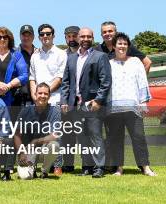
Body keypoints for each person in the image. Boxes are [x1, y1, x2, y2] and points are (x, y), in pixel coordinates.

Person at [60, 27, 111, 178]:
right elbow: (66, 82)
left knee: (95, 136)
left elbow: (106, 81)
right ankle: (87, 167)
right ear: (78, 38)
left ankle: (99, 167)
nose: (85, 39)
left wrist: (99, 100)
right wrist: (64, 101)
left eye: (89, 36)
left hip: (92, 104)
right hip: (75, 105)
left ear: (93, 38)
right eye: (83, 37)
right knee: (82, 137)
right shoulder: (71, 58)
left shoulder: (100, 56)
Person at [105, 32, 156, 177]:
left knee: (138, 137)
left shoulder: (135, 62)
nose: (122, 46)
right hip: (114, 108)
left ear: (128, 46)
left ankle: (146, 167)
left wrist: (143, 102)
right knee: (116, 140)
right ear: (114, 46)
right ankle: (119, 168)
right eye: (119, 43)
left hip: (133, 107)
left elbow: (142, 82)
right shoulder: (108, 64)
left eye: (125, 44)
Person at [14, 83, 62, 179]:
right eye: (40, 93)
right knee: (25, 177)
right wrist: (21, 152)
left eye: (45, 94)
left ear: (49, 96)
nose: (43, 96)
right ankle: (32, 169)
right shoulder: (25, 111)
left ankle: (44, 172)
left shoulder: (55, 111)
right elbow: (17, 134)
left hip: (44, 150)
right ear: (35, 94)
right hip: (28, 150)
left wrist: (36, 141)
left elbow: (55, 135)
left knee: (54, 146)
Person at [0, 26, 28, 111]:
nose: (2, 39)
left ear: (9, 39)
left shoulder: (16, 55)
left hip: (12, 99)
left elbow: (24, 76)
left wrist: (8, 86)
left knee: (10, 123)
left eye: (5, 37)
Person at [29, 24, 67, 106]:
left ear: (53, 36)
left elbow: (59, 79)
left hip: (54, 100)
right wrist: (34, 96)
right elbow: (32, 78)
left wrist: (44, 94)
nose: (45, 36)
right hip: (37, 101)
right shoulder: (34, 56)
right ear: (39, 37)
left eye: (48, 34)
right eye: (42, 34)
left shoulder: (61, 54)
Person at [60, 25, 81, 173]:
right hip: (68, 101)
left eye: (75, 36)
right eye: (69, 36)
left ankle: (89, 164)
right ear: (65, 38)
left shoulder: (89, 53)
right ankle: (68, 164)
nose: (72, 39)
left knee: (86, 134)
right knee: (68, 135)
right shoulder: (62, 55)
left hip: (84, 101)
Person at [13, 24, 37, 108]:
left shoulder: (39, 53)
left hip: (37, 99)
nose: (26, 38)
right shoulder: (13, 53)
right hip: (17, 100)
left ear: (33, 37)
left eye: (29, 35)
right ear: (20, 36)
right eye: (24, 35)